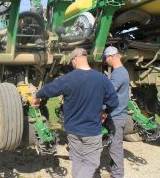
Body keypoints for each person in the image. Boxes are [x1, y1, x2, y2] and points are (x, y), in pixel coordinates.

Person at [32, 48, 118, 178]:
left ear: (75, 59)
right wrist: (106, 112)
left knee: (77, 161)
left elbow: (49, 89)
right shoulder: (102, 79)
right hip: (92, 130)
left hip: (72, 130)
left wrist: (37, 95)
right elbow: (113, 101)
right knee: (91, 163)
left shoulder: (68, 79)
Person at [102, 46, 130, 178]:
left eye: (106, 58)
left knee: (115, 148)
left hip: (116, 117)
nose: (105, 61)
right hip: (119, 115)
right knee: (114, 146)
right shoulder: (122, 72)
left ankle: (118, 175)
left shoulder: (118, 74)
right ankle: (114, 172)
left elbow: (109, 95)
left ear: (111, 57)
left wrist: (104, 110)